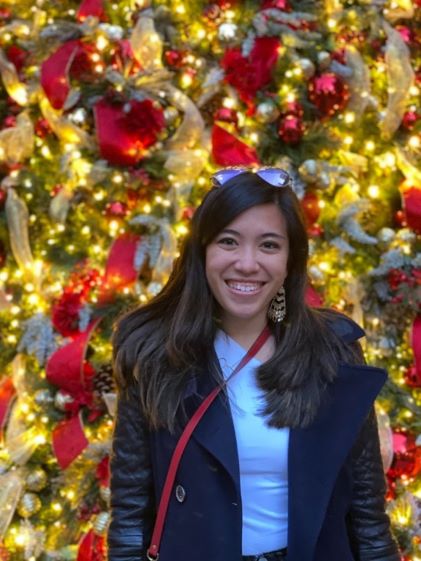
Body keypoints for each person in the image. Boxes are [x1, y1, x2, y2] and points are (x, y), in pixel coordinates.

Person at [108, 167, 400, 561]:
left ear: (290, 260)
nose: (247, 264)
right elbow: (129, 517)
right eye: (229, 241)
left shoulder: (332, 351)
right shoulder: (155, 353)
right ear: (203, 251)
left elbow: (367, 513)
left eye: (268, 245)